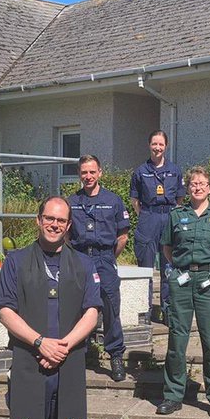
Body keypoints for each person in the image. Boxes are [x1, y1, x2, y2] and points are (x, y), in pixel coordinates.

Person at [0, 196, 101, 419]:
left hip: (68, 364)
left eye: (62, 220)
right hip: (29, 362)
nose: (55, 224)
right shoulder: (16, 261)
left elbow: (92, 311)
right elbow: (6, 311)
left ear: (69, 225)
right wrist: (41, 343)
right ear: (38, 220)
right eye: (49, 218)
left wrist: (64, 345)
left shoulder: (83, 264)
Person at [157, 166, 210, 418]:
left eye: (202, 183)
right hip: (181, 281)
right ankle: (172, 395)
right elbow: (168, 248)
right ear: (188, 188)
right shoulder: (176, 215)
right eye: (193, 184)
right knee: (176, 341)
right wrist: (182, 269)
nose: (198, 187)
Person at [68, 154, 130, 381]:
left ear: (100, 172)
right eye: (84, 172)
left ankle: (115, 356)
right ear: (79, 175)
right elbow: (65, 235)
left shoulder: (113, 200)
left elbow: (122, 235)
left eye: (92, 172)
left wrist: (108, 258)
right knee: (77, 308)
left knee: (111, 308)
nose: (88, 176)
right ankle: (77, 356)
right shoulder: (72, 201)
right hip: (80, 259)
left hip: (104, 259)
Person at [129, 130, 182, 322]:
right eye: (154, 144)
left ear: (166, 146)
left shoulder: (175, 170)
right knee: (145, 266)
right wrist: (146, 216)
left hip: (168, 216)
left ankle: (168, 310)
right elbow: (135, 200)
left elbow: (180, 199)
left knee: (169, 266)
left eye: (161, 144)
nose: (157, 148)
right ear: (149, 145)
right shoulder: (140, 171)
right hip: (148, 217)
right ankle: (145, 310)